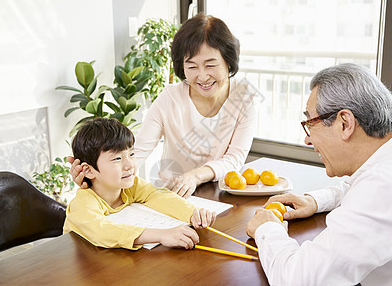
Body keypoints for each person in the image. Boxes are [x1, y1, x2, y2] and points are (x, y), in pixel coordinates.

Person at [246, 63, 392, 285]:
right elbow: (359, 187)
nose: (307, 139)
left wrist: (268, 228)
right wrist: (314, 201)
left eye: (310, 123)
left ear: (345, 123)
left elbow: (298, 279)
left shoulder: (384, 188)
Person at [70, 13, 259, 198]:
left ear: (228, 61)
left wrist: (194, 176)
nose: (202, 76)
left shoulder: (244, 97)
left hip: (222, 196)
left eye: (210, 65)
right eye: (192, 67)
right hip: (172, 195)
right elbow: (139, 150)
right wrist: (95, 178)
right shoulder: (170, 98)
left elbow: (234, 158)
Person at [63, 117, 216, 251]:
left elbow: (158, 196)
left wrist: (192, 213)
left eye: (131, 154)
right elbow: (102, 231)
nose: (130, 165)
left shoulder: (132, 186)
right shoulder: (82, 203)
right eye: (117, 159)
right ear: (88, 171)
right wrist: (162, 235)